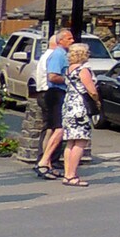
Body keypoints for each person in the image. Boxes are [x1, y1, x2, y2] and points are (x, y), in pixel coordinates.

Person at [34, 29, 74, 179]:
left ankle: (48, 163)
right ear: (60, 41)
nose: (72, 41)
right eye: (69, 38)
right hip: (52, 94)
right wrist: (71, 80)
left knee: (53, 129)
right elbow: (52, 76)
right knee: (55, 129)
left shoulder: (59, 54)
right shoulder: (57, 55)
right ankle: (44, 162)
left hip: (52, 93)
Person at [58, 44, 98, 187]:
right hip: (80, 107)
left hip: (69, 106)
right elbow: (91, 90)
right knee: (80, 141)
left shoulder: (69, 70)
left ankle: (67, 174)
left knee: (70, 141)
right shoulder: (83, 70)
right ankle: (72, 175)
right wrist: (97, 101)